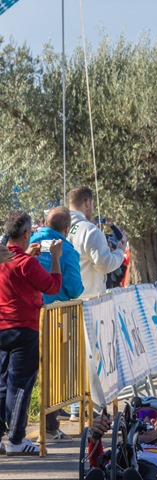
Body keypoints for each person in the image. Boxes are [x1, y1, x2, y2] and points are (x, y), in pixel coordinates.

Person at [0, 212, 62, 455]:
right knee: (20, 385)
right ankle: (16, 438)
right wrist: (55, 258)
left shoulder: (8, 259)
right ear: (26, 234)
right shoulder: (27, 263)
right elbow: (53, 286)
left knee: (2, 384)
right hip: (24, 328)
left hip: (2, 326)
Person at [30, 207, 84, 441]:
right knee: (54, 371)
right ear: (66, 229)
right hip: (56, 317)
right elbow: (74, 288)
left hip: (26, 316)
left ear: (43, 222)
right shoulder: (67, 250)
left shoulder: (27, 244)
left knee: (26, 375)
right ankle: (51, 426)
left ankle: (18, 428)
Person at [67, 186, 125, 299]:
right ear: (87, 203)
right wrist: (120, 252)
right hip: (90, 302)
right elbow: (105, 265)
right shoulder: (90, 230)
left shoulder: (58, 228)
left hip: (65, 304)